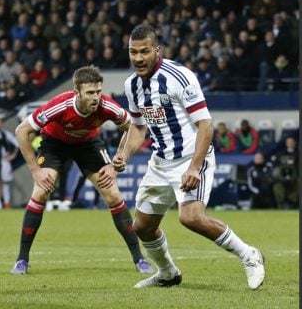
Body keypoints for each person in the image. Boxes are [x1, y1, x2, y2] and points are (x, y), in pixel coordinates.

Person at [112, 24, 264, 289]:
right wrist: (124, 154)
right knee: (143, 227)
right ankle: (168, 273)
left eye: (144, 51)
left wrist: (194, 168)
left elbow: (206, 125)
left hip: (192, 157)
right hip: (160, 162)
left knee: (191, 217)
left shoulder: (179, 77)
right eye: (133, 52)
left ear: (156, 50)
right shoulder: (131, 85)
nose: (138, 58)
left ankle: (249, 255)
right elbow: (137, 127)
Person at [11, 65, 153, 275]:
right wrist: (36, 171)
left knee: (112, 194)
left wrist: (119, 159)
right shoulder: (59, 105)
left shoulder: (107, 106)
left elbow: (135, 128)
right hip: (54, 144)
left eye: (98, 91)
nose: (96, 97)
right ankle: (22, 260)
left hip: (88, 144)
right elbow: (22, 131)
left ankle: (139, 259)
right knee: (41, 191)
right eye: (90, 93)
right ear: (77, 92)